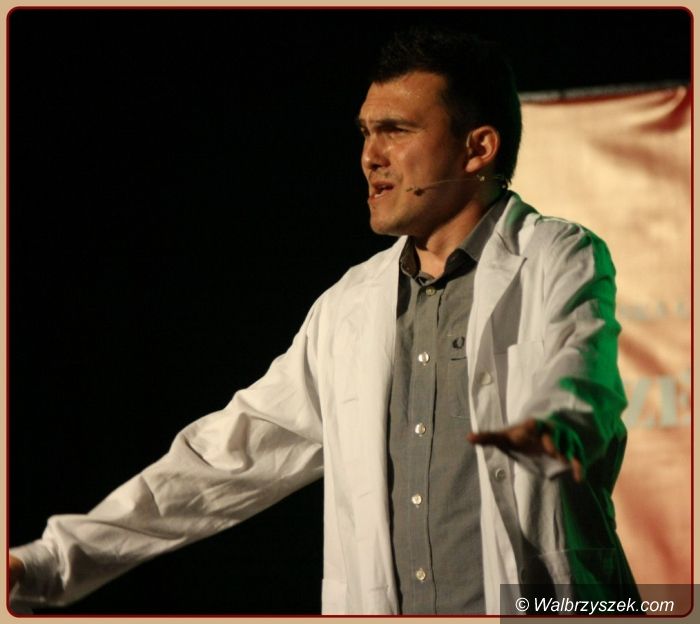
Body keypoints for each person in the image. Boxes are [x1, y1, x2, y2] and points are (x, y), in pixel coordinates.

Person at [9, 27, 639, 615]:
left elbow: (579, 369)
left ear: (478, 148)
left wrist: (558, 425)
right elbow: (226, 457)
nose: (370, 156)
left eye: (395, 131)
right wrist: (49, 560)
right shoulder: (349, 306)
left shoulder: (558, 255)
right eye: (365, 133)